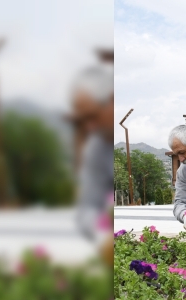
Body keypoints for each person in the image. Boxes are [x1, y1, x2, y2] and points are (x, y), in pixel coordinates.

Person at [71, 65, 114, 264]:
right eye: (83, 120)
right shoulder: (95, 148)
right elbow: (87, 206)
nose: (89, 127)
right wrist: (102, 235)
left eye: (93, 116)